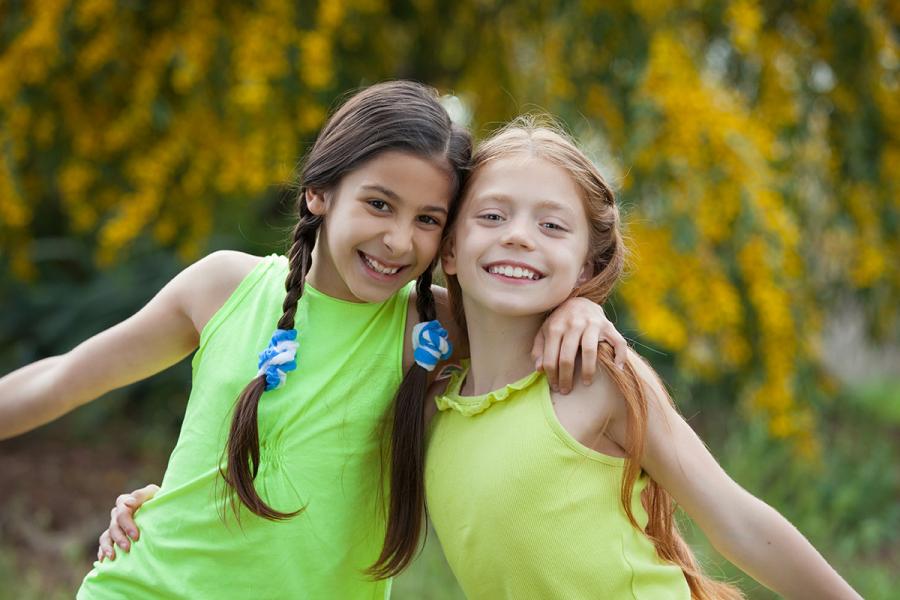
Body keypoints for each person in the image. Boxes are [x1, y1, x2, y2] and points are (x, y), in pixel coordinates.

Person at [0, 84, 626, 599]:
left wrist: (582, 310)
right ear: (319, 192)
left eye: (428, 220)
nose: (398, 241)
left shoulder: (437, 328)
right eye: (379, 204)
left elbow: (530, 297)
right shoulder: (225, 287)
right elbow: (62, 379)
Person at [417, 118, 858, 598]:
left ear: (585, 264)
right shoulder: (437, 392)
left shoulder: (595, 376)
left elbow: (736, 520)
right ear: (451, 248)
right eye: (492, 216)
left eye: (552, 225)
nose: (520, 236)